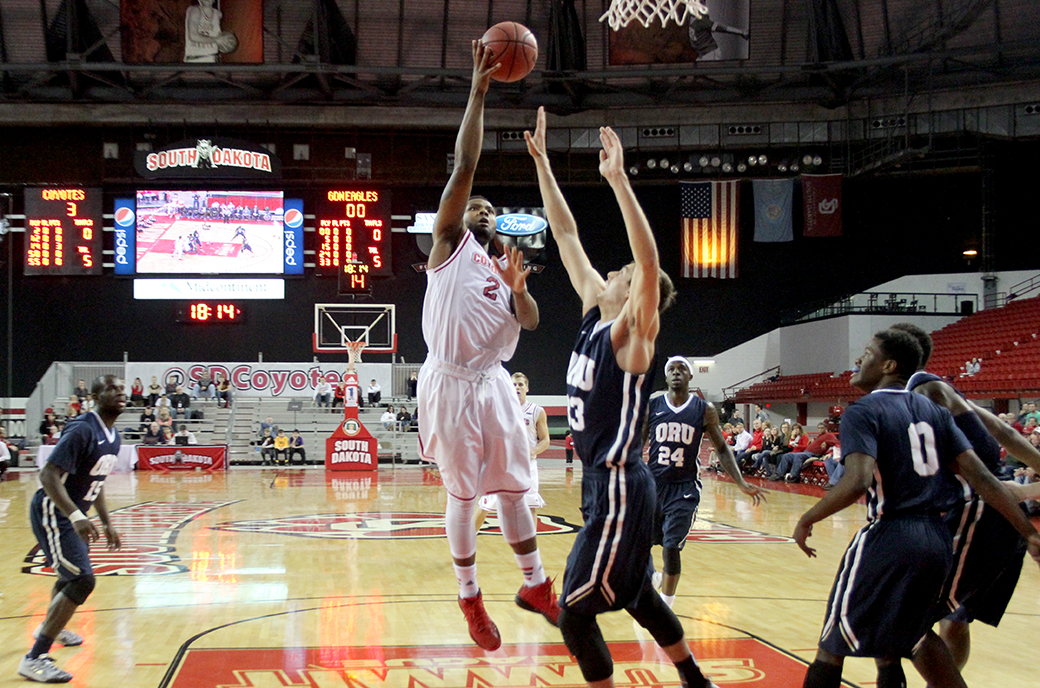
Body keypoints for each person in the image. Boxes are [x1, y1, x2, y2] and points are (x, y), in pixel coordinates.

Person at [526, 107, 751, 688]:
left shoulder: (632, 337)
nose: (615, 272)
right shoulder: (591, 313)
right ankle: (695, 680)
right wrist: (544, 165)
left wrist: (618, 180)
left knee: (575, 616)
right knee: (639, 595)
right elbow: (566, 233)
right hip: (609, 484)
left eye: (622, 274)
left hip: (621, 483)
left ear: (635, 295)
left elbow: (649, 262)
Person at [792, 330, 1040, 688]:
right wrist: (1029, 531)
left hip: (909, 527)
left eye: (866, 353)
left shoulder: (889, 401)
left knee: (835, 644)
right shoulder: (930, 410)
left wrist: (808, 517)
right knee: (903, 634)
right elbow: (987, 468)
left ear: (891, 364)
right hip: (939, 532)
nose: (858, 360)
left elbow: (858, 480)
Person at [417, 43, 556, 652]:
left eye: (487, 208)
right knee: (465, 496)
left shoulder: (508, 266)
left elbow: (529, 322)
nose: (478, 207)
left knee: (515, 489)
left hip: (494, 382)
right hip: (448, 381)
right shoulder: (448, 244)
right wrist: (478, 92)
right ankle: (470, 596)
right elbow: (465, 165)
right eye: (473, 204)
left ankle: (536, 584)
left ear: (497, 223)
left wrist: (519, 293)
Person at [889, 322, 1040, 681]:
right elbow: (1001, 431)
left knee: (916, 616)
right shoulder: (936, 390)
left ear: (890, 362)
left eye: (869, 353)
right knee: (952, 618)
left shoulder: (924, 388)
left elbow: (994, 441)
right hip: (980, 506)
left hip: (979, 507)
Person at [19, 375, 125, 683]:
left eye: (122, 388)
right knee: (81, 580)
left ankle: (49, 627)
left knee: (72, 576)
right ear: (93, 396)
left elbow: (97, 481)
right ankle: (35, 657)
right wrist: (77, 515)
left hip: (73, 515)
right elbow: (48, 474)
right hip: (55, 513)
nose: (119, 392)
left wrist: (106, 521)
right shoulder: (82, 429)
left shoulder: (112, 435)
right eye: (111, 388)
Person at [646, 357, 763, 608]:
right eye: (671, 370)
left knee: (670, 547)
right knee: (639, 543)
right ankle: (652, 577)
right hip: (653, 486)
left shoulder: (704, 409)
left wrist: (740, 482)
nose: (676, 373)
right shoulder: (653, 406)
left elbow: (721, 448)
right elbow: (634, 446)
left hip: (684, 489)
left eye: (682, 369)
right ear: (666, 377)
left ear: (690, 377)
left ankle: (666, 605)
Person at [475, 372, 550, 530]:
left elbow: (545, 440)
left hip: (527, 465)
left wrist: (533, 450)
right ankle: (465, 545)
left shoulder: (537, 411)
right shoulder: (498, 409)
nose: (517, 387)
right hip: (502, 465)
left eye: (521, 384)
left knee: (530, 505)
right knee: (486, 505)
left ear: (527, 388)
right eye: (514, 384)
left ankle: (531, 549)